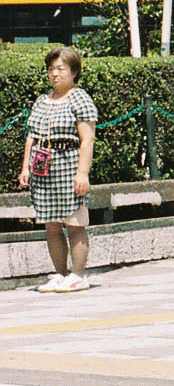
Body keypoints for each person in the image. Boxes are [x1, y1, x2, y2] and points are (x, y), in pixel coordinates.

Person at [18, 47, 98, 293]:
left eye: (61, 69)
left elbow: (87, 139)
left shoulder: (79, 98)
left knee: (74, 222)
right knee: (51, 223)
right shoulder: (42, 100)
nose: (55, 74)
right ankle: (60, 273)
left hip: (68, 163)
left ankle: (78, 274)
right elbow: (32, 136)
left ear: (74, 72)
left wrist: (82, 172)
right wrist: (26, 168)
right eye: (51, 69)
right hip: (43, 167)